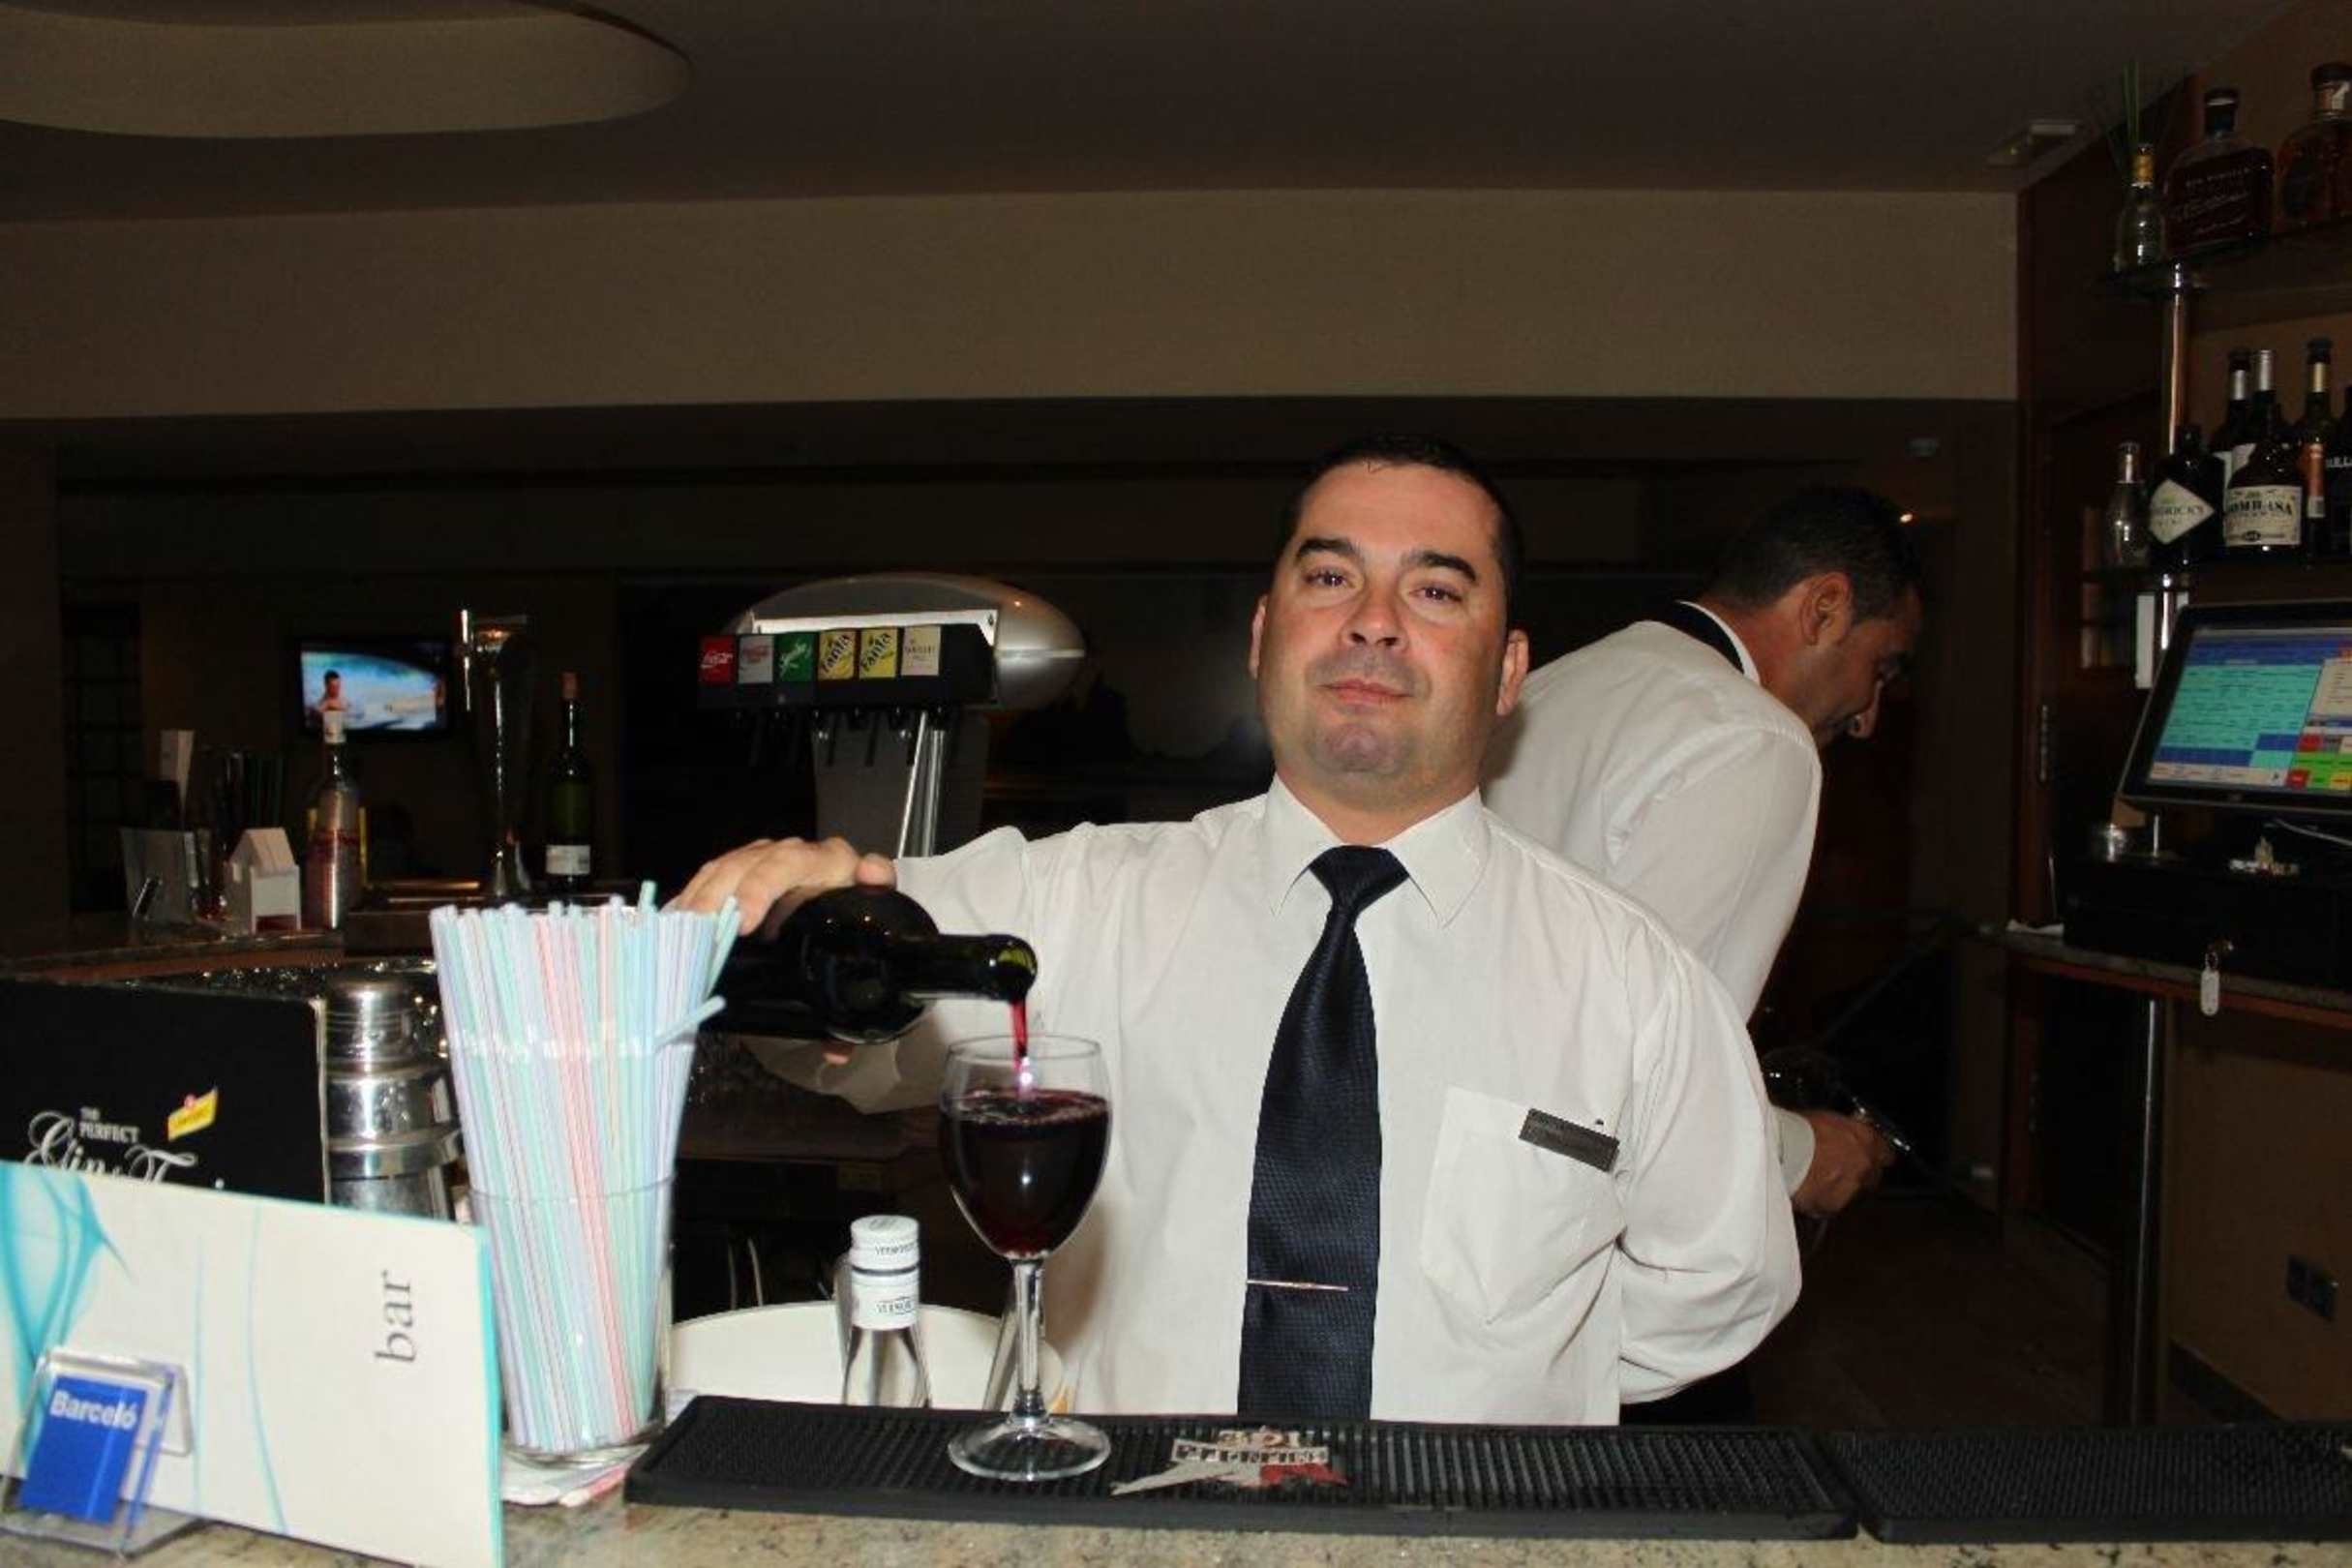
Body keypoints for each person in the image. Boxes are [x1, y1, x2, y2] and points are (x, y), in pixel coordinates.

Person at [679, 435, 1798, 1425]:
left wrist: (1524, 1385)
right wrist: (803, 912)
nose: (1373, 621)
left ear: (1510, 672)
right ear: (1266, 636)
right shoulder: (1078, 899)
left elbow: (1720, 1284)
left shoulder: (1632, 978)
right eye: (1330, 576)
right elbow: (837, 1032)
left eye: (1436, 591)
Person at [1483, 486, 1923, 1221]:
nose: (1868, 718)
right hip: (1557, 1210)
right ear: (1824, 608)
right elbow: (1656, 1076)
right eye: (1881, 668)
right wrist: (1800, 1156)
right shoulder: (1754, 739)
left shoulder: (1556, 683)